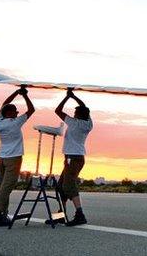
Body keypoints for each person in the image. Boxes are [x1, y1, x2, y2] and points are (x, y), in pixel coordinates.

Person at [0, 86, 35, 227]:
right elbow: (31, 110)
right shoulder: (15, 123)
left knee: (3, 186)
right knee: (6, 189)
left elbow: (4, 105)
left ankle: (3, 214)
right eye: (15, 111)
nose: (17, 113)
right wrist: (25, 96)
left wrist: (16, 92)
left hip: (1, 158)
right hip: (14, 159)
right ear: (10, 113)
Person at [55, 87, 94, 226]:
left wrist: (67, 97)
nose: (73, 113)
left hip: (73, 157)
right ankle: (61, 214)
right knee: (61, 186)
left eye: (75, 112)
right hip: (75, 157)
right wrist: (74, 97)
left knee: (68, 185)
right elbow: (84, 107)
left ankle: (80, 214)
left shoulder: (74, 123)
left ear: (78, 115)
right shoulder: (88, 124)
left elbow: (58, 110)